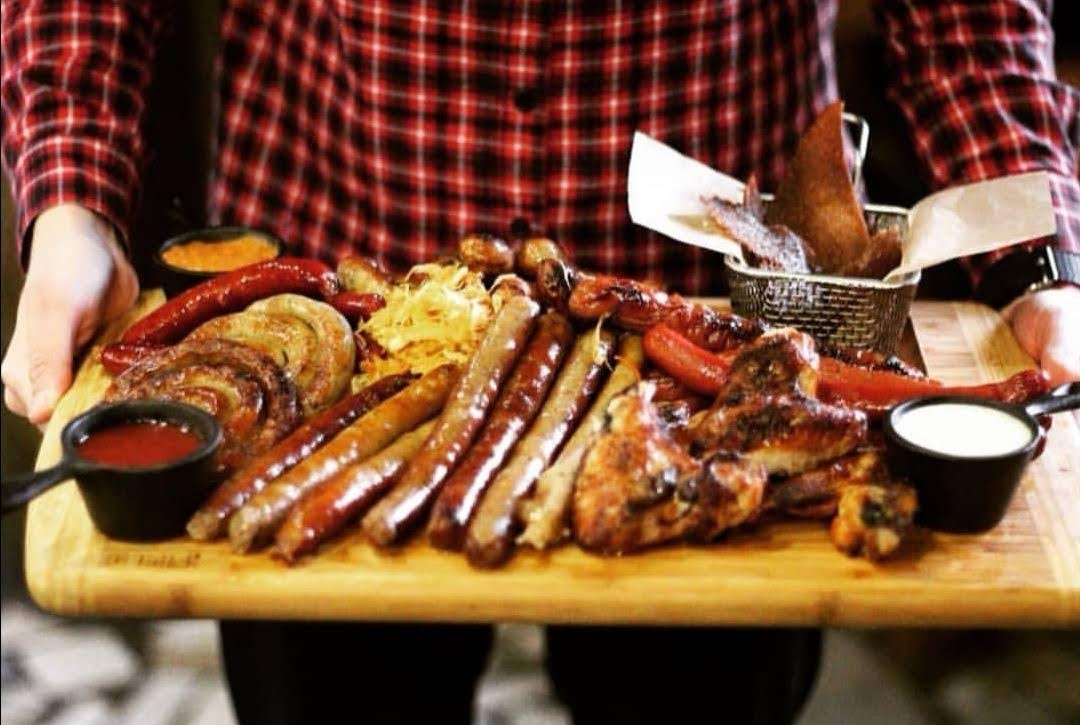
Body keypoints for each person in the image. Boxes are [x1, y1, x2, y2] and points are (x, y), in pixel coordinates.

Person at [2, 2, 1077, 723]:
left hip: (719, 315)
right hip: (338, 315)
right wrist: (72, 198)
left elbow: (972, 13)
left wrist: (1037, 261)